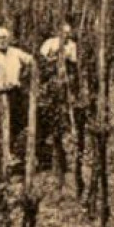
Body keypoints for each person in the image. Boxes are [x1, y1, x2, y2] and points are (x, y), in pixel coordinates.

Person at [0, 26, 35, 162]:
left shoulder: (15, 52)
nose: (2, 41)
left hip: (15, 92)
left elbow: (30, 60)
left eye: (4, 38)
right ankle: (0, 154)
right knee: (0, 124)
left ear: (9, 39)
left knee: (17, 123)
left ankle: (14, 152)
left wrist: (25, 74)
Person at [37, 23, 79, 174]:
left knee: (64, 117)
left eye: (68, 33)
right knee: (47, 116)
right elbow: (41, 59)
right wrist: (53, 58)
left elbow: (74, 64)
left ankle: (67, 160)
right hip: (50, 82)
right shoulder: (50, 43)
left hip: (64, 83)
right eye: (63, 32)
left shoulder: (72, 46)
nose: (66, 35)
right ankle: (46, 158)